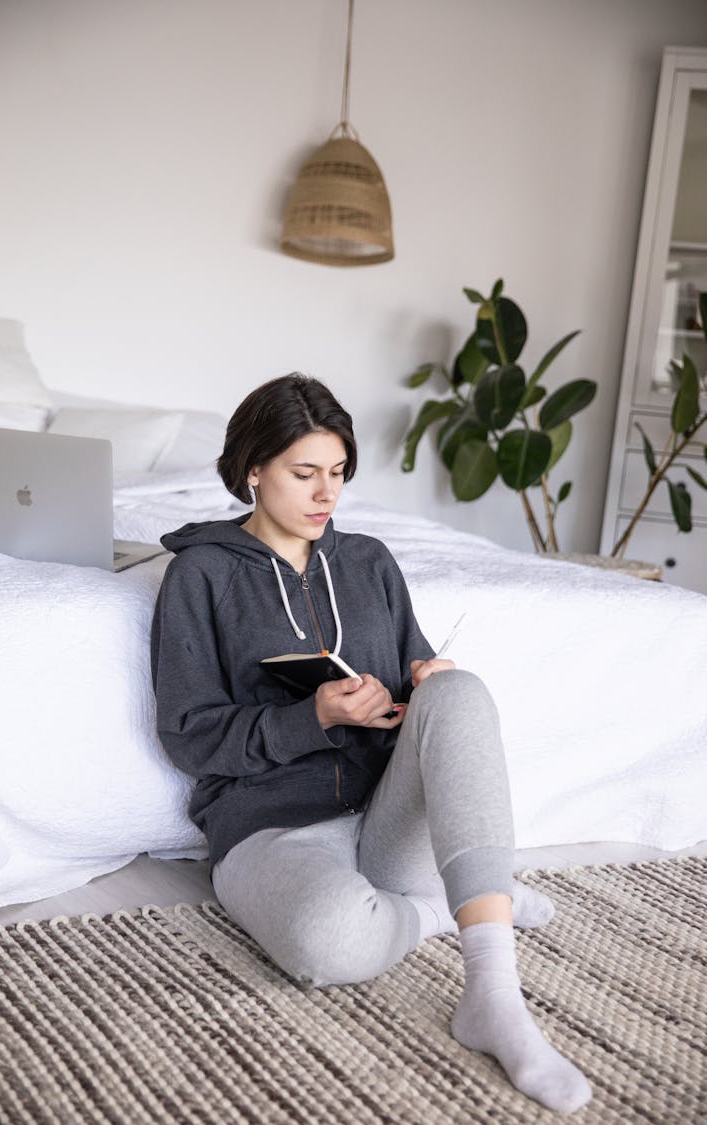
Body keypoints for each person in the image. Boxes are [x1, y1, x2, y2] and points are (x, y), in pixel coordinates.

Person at [151, 373, 592, 1115]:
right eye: (304, 473)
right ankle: (459, 901)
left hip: (384, 816)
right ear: (253, 469)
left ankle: (493, 993)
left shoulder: (370, 562)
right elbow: (188, 736)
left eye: (338, 473)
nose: (326, 494)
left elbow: (417, 677)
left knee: (461, 690)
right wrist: (312, 716)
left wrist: (424, 683)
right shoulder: (200, 574)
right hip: (269, 828)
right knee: (330, 944)